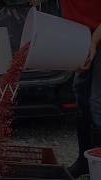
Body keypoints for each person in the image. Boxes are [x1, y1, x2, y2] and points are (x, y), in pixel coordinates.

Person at [30, 0, 101, 178]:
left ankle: (98, 165)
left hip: (97, 35)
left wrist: (93, 42)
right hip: (82, 36)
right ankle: (85, 160)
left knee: (97, 102)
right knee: (81, 96)